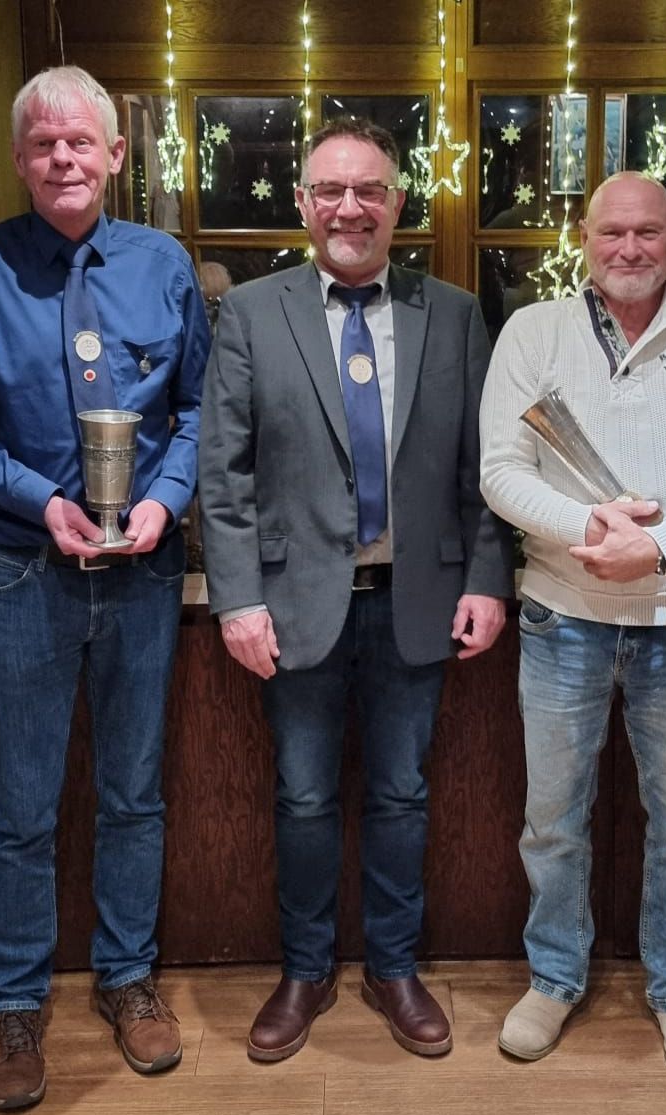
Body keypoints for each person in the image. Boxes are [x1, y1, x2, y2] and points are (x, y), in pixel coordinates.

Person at [0, 66, 210, 1110]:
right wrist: (40, 500)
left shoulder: (163, 265)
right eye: (43, 144)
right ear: (19, 158)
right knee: (23, 807)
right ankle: (15, 1002)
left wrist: (164, 499)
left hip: (143, 572)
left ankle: (127, 977)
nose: (63, 159)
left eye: (81, 141)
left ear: (116, 155)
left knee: (133, 794)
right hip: (25, 570)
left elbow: (200, 410)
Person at [198, 117, 514, 1062]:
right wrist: (236, 599)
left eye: (369, 190)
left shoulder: (452, 313)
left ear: (397, 203)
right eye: (331, 190)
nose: (350, 207)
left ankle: (393, 966)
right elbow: (224, 474)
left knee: (402, 796)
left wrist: (488, 580)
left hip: (418, 602)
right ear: (302, 204)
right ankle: (304, 970)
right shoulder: (252, 314)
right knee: (301, 798)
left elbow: (484, 469)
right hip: (293, 606)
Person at [480, 171, 666, 1084]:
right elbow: (500, 469)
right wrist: (591, 529)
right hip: (560, 617)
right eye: (612, 232)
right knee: (551, 821)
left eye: (647, 232)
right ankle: (554, 978)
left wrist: (659, 549)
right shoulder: (534, 332)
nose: (630, 248)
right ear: (585, 236)